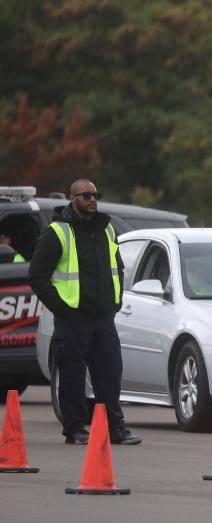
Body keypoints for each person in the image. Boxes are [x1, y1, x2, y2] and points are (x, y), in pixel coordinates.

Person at [27, 179, 141, 445]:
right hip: (73, 319)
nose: (92, 199)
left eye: (95, 195)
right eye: (86, 195)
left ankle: (115, 428)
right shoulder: (57, 233)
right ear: (72, 198)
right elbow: (37, 277)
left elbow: (118, 268)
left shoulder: (107, 229)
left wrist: (116, 301)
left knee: (110, 372)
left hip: (103, 318)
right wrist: (62, 309)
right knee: (72, 375)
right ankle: (76, 429)